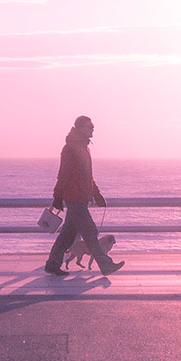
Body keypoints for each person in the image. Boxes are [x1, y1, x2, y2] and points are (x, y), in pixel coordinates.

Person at [44, 116, 125, 276]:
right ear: (80, 128)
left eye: (93, 127)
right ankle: (106, 265)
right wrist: (57, 197)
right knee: (90, 231)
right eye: (90, 127)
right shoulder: (70, 149)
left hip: (81, 198)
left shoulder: (84, 148)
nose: (92, 130)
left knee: (68, 234)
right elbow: (63, 175)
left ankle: (52, 264)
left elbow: (88, 175)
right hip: (74, 199)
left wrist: (97, 193)